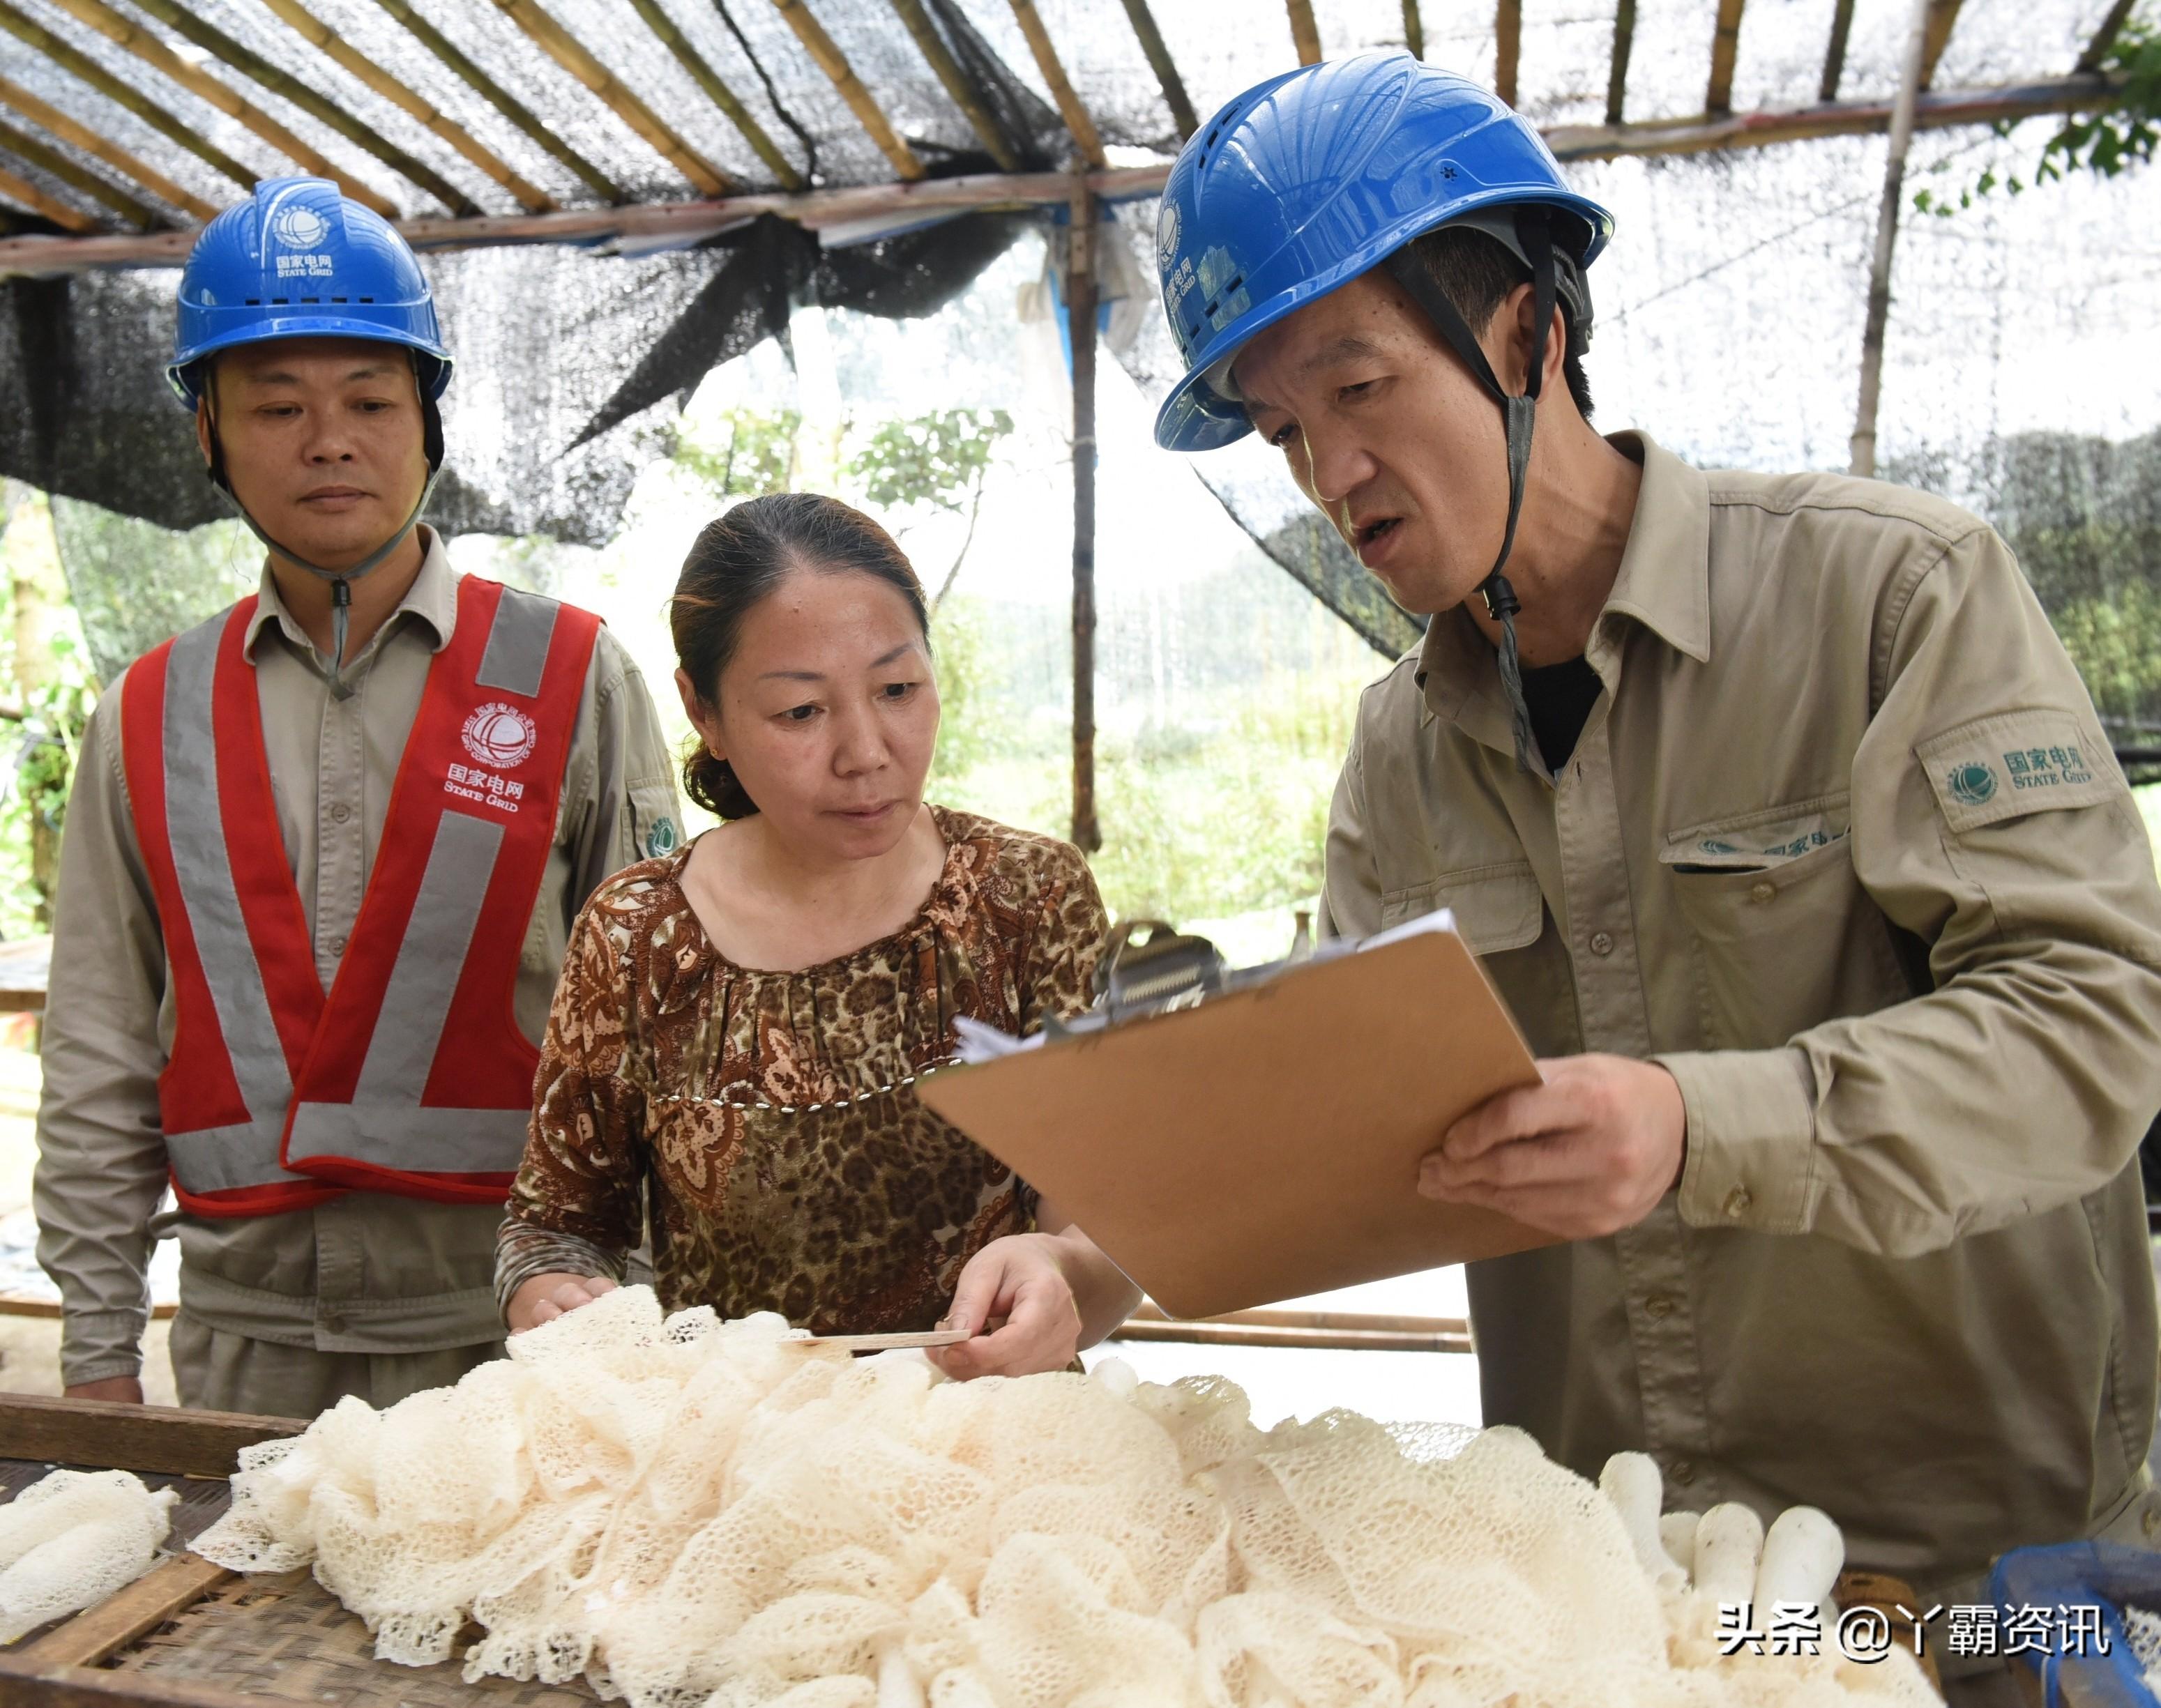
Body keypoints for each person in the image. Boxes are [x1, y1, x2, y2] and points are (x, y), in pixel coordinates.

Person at [1150, 53, 2161, 1703]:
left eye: (1355, 388)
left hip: (1974, 1579)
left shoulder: (1890, 600)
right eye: (1277, 431)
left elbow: (2094, 1033)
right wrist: (1093, 1254)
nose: (1329, 478)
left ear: (1530, 334)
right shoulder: (1398, 754)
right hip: (1615, 1596)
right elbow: (1317, 1117)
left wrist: (1700, 1126)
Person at [36, 177, 681, 1417]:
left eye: (369, 401)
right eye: (275, 406)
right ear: (206, 435)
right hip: (244, 1353)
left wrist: (636, 1320)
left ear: (426, 421)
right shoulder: (147, 714)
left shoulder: (572, 678)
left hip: (524, 1346)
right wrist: (98, 1363)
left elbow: (662, 1034)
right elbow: (101, 1051)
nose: (327, 440)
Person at [495, 493, 1139, 1379]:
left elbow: (1116, 1223)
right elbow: (556, 1224)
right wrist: (553, 1290)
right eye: (801, 712)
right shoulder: (636, 935)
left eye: (898, 689)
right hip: (740, 1461)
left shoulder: (1025, 898)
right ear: (705, 711)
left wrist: (1065, 1270)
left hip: (996, 1446)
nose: (866, 750)